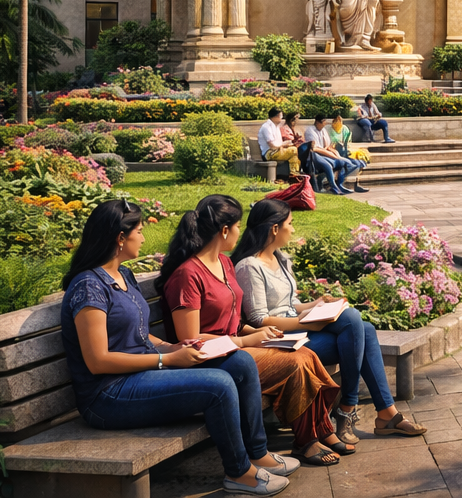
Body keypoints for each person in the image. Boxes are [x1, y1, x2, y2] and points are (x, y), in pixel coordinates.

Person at [60, 200, 297, 497]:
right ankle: (240, 473)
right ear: (121, 238)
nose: (143, 237)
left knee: (240, 363)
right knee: (219, 386)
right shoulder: (89, 287)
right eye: (139, 231)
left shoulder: (124, 276)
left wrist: (174, 345)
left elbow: (140, 335)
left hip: (141, 375)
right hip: (108, 394)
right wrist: (167, 359)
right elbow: (98, 361)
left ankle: (257, 453)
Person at [159, 195, 345, 468]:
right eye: (237, 226)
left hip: (236, 344)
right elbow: (191, 339)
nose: (240, 232)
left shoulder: (223, 264)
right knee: (296, 362)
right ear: (224, 230)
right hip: (212, 357)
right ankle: (307, 439)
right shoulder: (188, 275)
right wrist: (247, 339)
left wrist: (262, 332)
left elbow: (231, 320)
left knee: (304, 355)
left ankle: (316, 431)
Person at [234, 200, 426, 443]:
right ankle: (356, 410)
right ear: (274, 229)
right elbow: (258, 319)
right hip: (279, 343)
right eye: (290, 224)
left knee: (363, 330)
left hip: (299, 332)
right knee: (359, 327)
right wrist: (306, 323)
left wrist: (316, 304)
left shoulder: (280, 260)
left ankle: (369, 412)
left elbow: (290, 303)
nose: (292, 230)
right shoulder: (249, 266)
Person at [304, 115, 357, 195]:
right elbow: (315, 149)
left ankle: (339, 184)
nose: (325, 124)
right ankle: (333, 186)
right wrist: (333, 156)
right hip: (314, 156)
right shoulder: (310, 131)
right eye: (323, 122)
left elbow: (328, 146)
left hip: (324, 154)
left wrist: (337, 155)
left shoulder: (323, 131)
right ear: (318, 122)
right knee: (328, 165)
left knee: (345, 163)